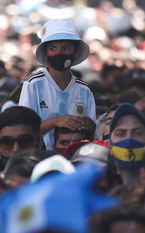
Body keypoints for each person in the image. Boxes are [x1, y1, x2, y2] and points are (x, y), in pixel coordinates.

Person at [18, 20, 97, 150]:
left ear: (76, 52)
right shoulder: (34, 84)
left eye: (66, 48)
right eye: (53, 48)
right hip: (40, 157)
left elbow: (91, 129)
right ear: (45, 52)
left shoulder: (84, 89)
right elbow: (23, 129)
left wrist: (89, 125)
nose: (59, 53)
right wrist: (56, 121)